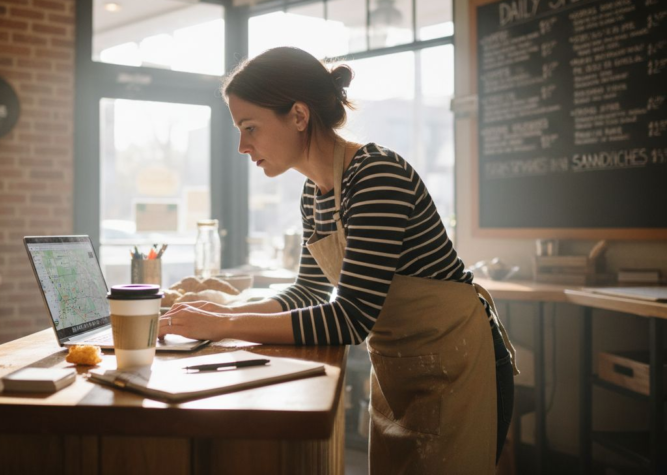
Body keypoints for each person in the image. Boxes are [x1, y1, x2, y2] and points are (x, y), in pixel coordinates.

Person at [159, 46, 518, 474]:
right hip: (400, 370)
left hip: (458, 364)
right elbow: (307, 291)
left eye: (250, 127)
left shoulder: (376, 174)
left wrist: (224, 325)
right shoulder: (314, 192)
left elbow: (350, 318)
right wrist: (224, 310)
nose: (242, 146)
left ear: (298, 115)